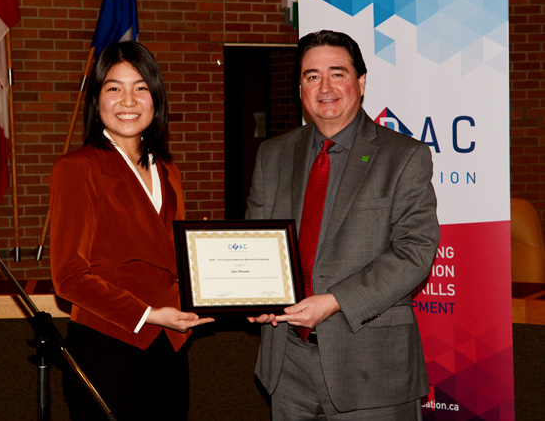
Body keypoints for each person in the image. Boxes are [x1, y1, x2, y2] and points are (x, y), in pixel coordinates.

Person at [246, 30, 440, 420]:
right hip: (288, 364)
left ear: (361, 82)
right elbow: (257, 242)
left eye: (337, 74)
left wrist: (334, 301)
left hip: (371, 368)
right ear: (300, 88)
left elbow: (415, 251)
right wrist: (256, 296)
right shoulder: (273, 154)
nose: (325, 88)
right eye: (312, 76)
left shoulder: (403, 156)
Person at [49, 41, 213, 421]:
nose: (128, 101)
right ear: (97, 100)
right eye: (114, 88)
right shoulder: (77, 169)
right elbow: (69, 277)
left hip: (170, 345)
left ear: (156, 98)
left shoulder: (169, 170)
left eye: (140, 88)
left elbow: (173, 261)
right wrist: (148, 314)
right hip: (109, 346)